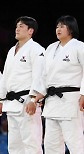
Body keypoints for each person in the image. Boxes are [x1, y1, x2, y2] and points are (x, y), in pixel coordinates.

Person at [34, 15, 84, 154]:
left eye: (62, 26)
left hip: (71, 99)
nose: (58, 29)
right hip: (52, 102)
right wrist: (39, 94)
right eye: (57, 26)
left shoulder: (79, 46)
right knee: (51, 144)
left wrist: (83, 94)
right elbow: (44, 75)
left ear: (71, 29)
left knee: (75, 142)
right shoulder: (50, 48)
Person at [0, 16, 45, 154]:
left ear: (30, 31)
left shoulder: (36, 49)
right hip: (11, 104)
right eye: (17, 26)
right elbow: (5, 76)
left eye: (21, 26)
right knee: (14, 146)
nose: (17, 28)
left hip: (27, 102)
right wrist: (0, 100)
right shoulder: (12, 51)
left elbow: (39, 76)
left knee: (31, 144)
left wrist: (34, 99)